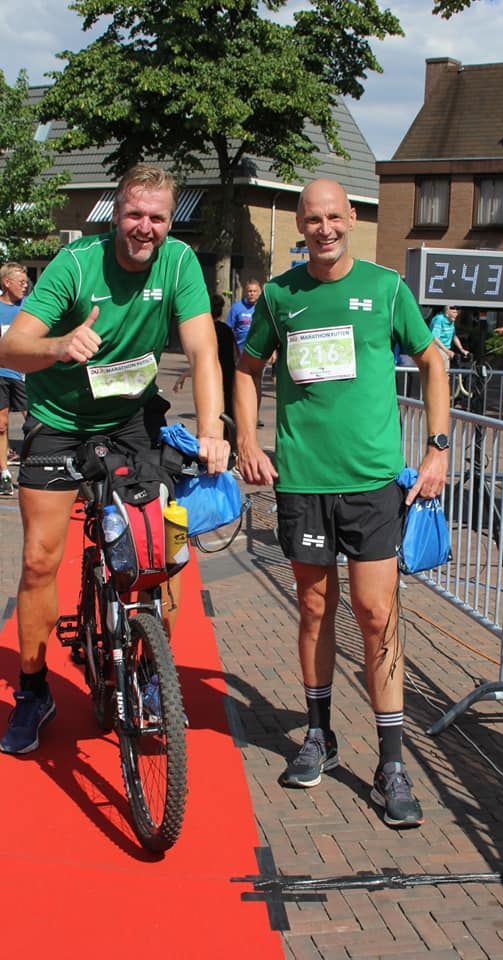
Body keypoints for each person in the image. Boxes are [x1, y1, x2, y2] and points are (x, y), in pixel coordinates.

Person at [234, 178, 449, 829]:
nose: (324, 228)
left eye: (333, 217)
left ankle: (391, 764)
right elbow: (247, 368)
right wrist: (246, 439)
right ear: (301, 226)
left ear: (351, 218)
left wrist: (438, 448)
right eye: (312, 219)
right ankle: (319, 735)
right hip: (304, 482)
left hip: (372, 483)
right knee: (314, 608)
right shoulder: (280, 296)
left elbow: (433, 361)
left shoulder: (386, 289)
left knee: (376, 613)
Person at [0, 163, 230, 755]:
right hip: (61, 421)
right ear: (115, 213)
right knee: (39, 560)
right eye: (134, 214)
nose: (145, 227)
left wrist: (212, 430)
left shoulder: (179, 262)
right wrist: (59, 344)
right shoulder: (76, 265)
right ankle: (34, 691)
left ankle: (151, 673)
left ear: (169, 220)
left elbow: (203, 350)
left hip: (131, 418)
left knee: (159, 551)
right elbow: (11, 346)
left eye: (157, 217)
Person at [174, 292, 236, 421]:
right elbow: (236, 354)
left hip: (211, 374)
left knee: (212, 409)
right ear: (221, 311)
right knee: (228, 408)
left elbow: (201, 358)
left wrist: (185, 374)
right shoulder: (227, 330)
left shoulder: (205, 331)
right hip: (228, 372)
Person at [0, 262, 29, 495]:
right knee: (1, 424)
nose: (25, 286)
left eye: (26, 282)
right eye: (21, 282)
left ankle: (32, 466)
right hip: (1, 373)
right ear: (6, 283)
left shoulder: (29, 307)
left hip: (24, 374)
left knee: (33, 422)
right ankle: (4, 473)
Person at [226, 278, 266, 425]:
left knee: (257, 383)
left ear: (259, 292)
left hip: (259, 352)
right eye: (249, 291)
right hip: (240, 353)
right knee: (240, 385)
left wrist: (273, 351)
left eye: (254, 291)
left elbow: (270, 330)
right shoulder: (236, 308)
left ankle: (255, 415)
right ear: (245, 292)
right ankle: (239, 415)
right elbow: (229, 329)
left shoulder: (263, 308)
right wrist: (233, 349)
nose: (251, 294)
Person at [429, 305, 469, 371]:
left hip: (445, 349)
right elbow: (435, 338)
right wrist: (447, 351)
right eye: (454, 312)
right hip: (436, 348)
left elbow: (454, 336)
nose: (456, 314)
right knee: (443, 369)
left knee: (447, 370)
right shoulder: (439, 319)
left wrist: (462, 349)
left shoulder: (451, 320)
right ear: (447, 314)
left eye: (456, 312)